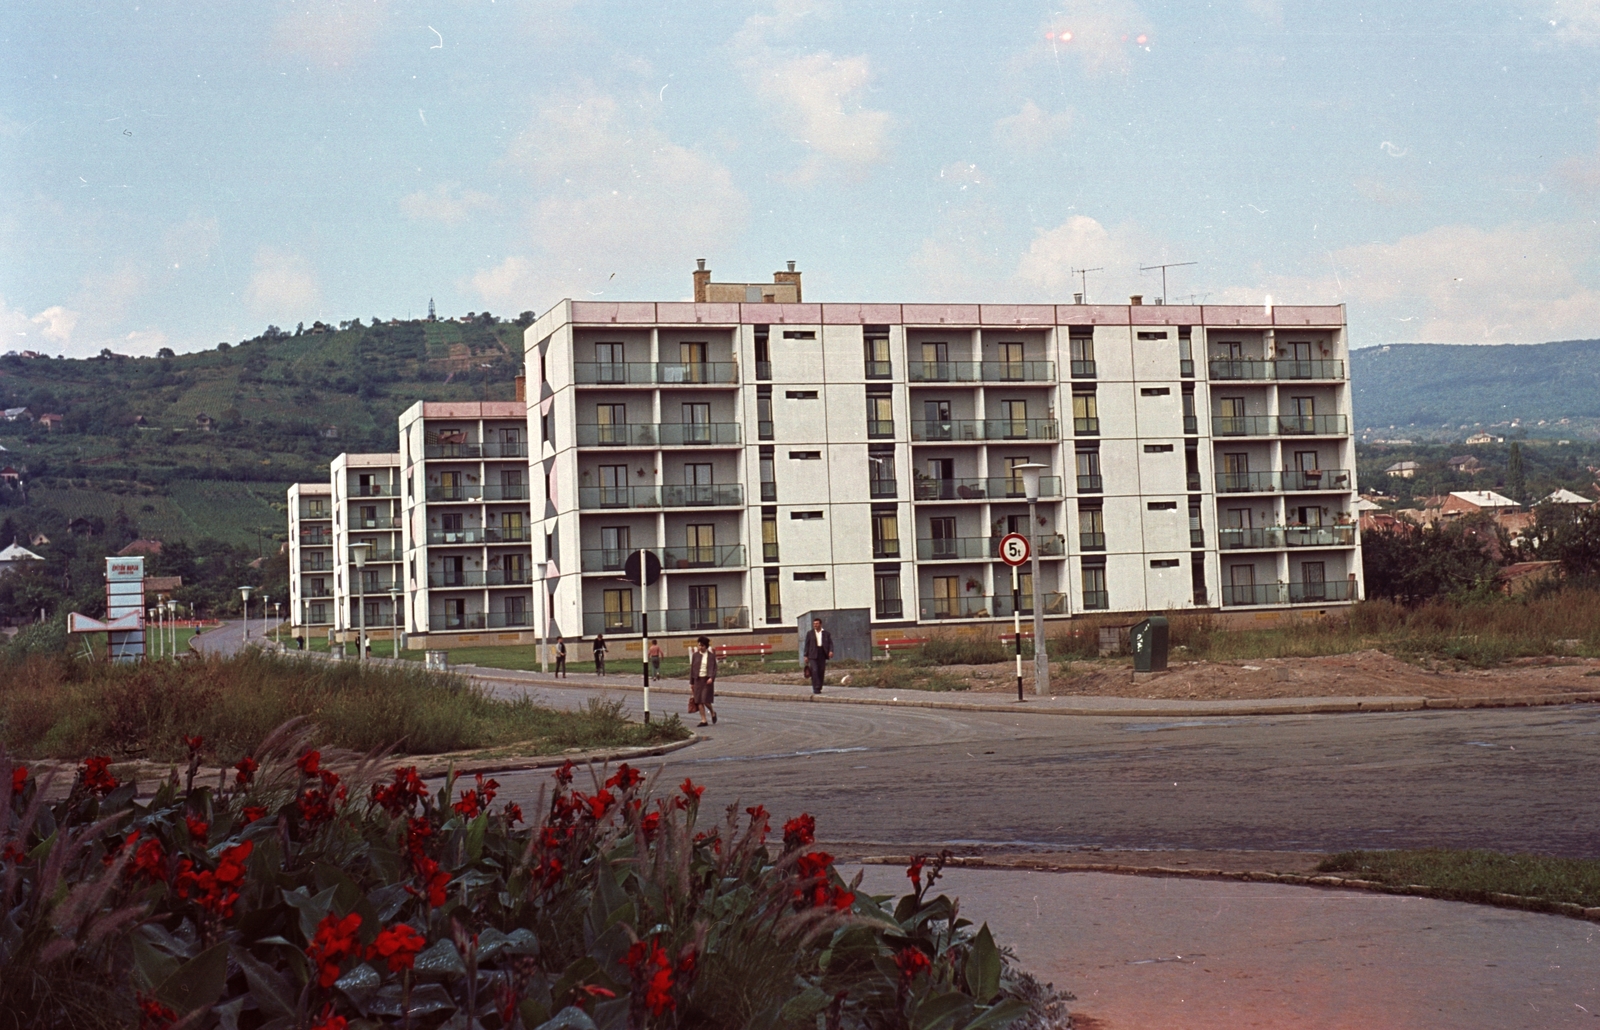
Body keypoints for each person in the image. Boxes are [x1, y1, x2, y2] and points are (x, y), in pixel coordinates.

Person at [689, 635, 718, 726]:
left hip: (707, 680)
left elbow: (714, 669)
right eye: (699, 645)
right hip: (697, 679)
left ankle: (712, 712)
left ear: (706, 646)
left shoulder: (711, 656)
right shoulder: (695, 655)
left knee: (705, 699)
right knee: (699, 701)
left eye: (702, 646)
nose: (700, 647)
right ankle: (704, 720)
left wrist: (711, 678)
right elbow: (692, 669)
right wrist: (692, 682)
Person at [802, 617, 833, 695]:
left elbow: (830, 643)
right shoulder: (810, 633)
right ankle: (816, 687)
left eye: (817, 623)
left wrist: (831, 651)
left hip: (822, 653)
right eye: (814, 624)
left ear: (820, 624)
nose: (815, 625)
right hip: (812, 654)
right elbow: (807, 644)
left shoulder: (826, 633)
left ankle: (819, 686)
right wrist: (805, 655)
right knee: (814, 670)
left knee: (821, 670)